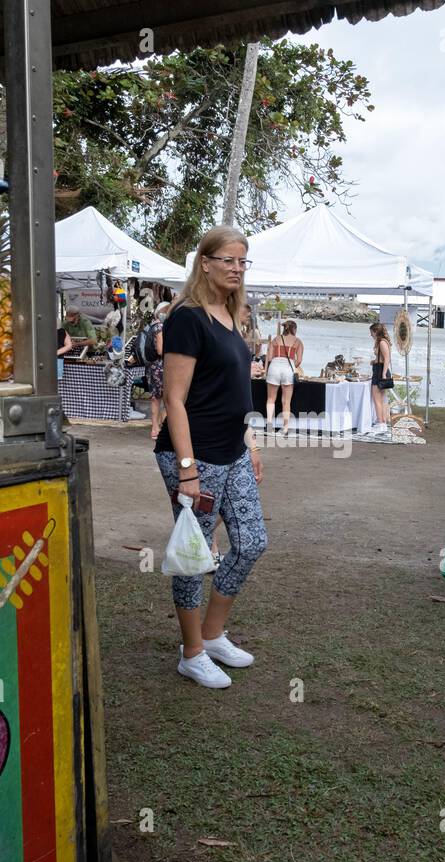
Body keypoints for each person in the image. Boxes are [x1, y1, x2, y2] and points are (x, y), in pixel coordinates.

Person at [154, 225, 266, 689]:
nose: (237, 268)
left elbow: (235, 391)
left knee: (252, 542)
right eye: (228, 260)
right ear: (205, 263)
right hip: (193, 455)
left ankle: (213, 633)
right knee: (194, 556)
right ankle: (191, 652)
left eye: (243, 261)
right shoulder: (188, 318)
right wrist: (187, 470)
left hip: (234, 451)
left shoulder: (230, 312)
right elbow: (174, 398)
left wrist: (252, 443)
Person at [265, 319, 303, 434]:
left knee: (271, 399)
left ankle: (269, 425)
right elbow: (299, 361)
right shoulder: (298, 342)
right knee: (286, 401)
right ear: (294, 329)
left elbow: (270, 357)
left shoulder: (276, 339)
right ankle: (285, 427)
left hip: (274, 367)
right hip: (288, 368)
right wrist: (291, 363)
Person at [147, 301, 168, 440]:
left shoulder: (152, 325)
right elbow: (161, 350)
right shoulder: (160, 327)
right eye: (166, 311)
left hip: (151, 366)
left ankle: (155, 428)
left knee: (155, 398)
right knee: (167, 398)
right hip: (160, 366)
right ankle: (163, 428)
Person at [369, 321, 394, 434]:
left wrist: (383, 374)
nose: (370, 335)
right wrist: (374, 361)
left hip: (380, 371)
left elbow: (387, 358)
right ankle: (382, 422)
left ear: (375, 332)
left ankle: (381, 424)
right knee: (381, 399)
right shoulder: (381, 342)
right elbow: (382, 358)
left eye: (371, 333)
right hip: (378, 368)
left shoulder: (382, 343)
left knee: (377, 399)